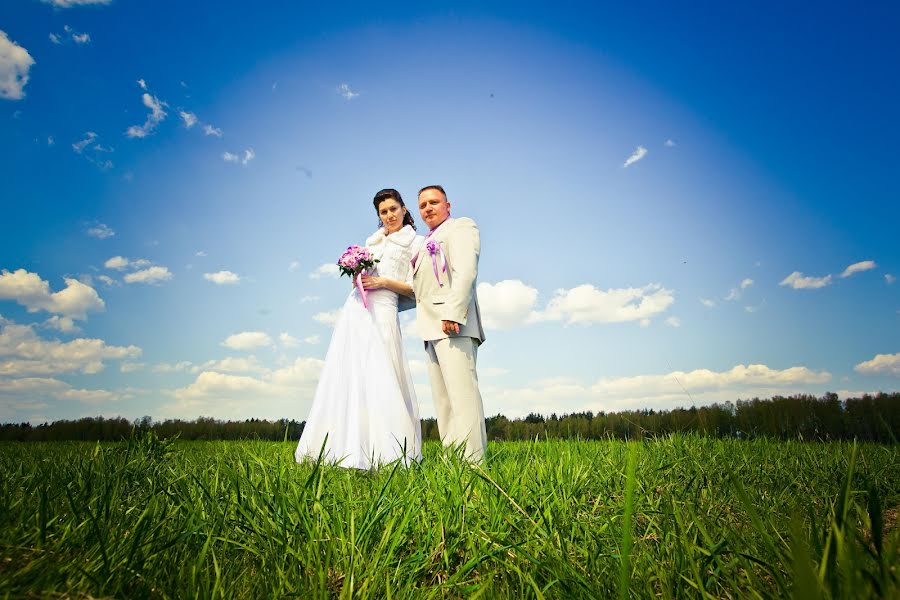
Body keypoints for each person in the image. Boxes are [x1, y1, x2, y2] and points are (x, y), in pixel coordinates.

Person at [295, 189, 424, 469]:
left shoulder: (416, 243)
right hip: (357, 311)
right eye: (383, 212)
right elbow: (367, 278)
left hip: (385, 310)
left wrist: (384, 283)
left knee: (385, 372)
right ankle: (351, 447)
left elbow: (417, 290)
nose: (389, 215)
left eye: (393, 209)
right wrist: (359, 279)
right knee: (353, 374)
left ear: (403, 209)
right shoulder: (372, 243)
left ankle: (390, 451)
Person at [411, 185, 487, 461]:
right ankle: (454, 462)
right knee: (444, 402)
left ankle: (473, 464)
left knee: (463, 398)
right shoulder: (424, 242)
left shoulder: (461, 227)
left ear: (448, 205)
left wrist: (453, 313)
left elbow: (466, 270)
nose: (428, 208)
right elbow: (420, 291)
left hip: (453, 323)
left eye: (434, 202)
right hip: (430, 329)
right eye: (423, 205)